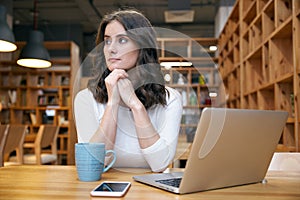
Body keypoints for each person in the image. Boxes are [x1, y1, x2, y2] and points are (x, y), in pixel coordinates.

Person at [74, 9, 183, 172]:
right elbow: (95, 164)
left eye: (122, 40)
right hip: (105, 191)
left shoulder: (171, 98)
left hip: (150, 192)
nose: (111, 49)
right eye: (107, 41)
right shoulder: (85, 99)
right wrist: (113, 103)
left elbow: (160, 164)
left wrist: (135, 105)